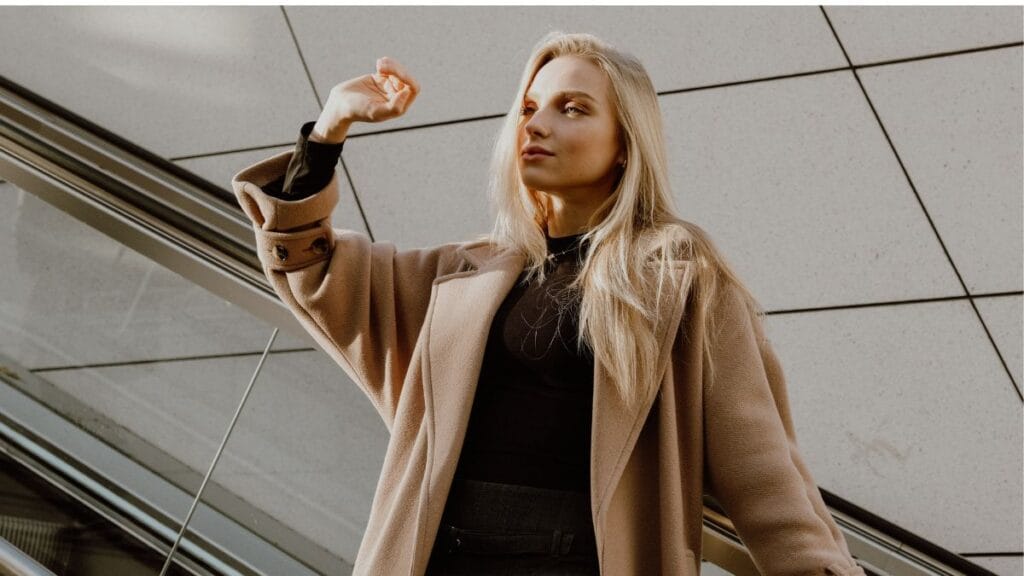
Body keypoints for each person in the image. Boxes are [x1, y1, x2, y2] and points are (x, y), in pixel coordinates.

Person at [232, 31, 867, 576]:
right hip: (435, 556)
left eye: (572, 108)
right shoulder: (461, 274)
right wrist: (328, 130)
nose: (536, 124)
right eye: (530, 108)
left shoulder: (679, 277)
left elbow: (759, 463)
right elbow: (309, 264)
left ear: (625, 142)